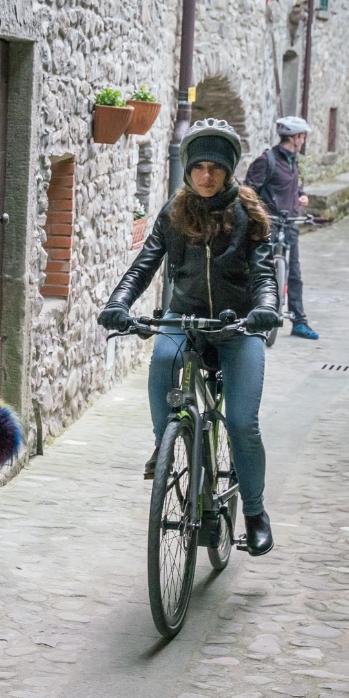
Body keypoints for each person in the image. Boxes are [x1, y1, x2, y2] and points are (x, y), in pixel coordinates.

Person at [99, 119, 280, 556]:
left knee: (240, 422)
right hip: (183, 317)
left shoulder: (248, 213)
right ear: (187, 169)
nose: (205, 175)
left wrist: (266, 310)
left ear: (228, 170)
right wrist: (118, 303)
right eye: (197, 166)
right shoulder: (174, 212)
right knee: (162, 362)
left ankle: (255, 513)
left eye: (215, 167)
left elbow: (264, 274)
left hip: (238, 326)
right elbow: (144, 265)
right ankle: (167, 448)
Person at [245, 115, 318, 339]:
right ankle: (253, 313)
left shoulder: (292, 160)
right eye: (302, 137)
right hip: (270, 223)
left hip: (290, 223)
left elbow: (292, 187)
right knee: (261, 270)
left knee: (294, 273)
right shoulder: (267, 160)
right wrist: (258, 215)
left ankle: (299, 322)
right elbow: (249, 191)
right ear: (295, 137)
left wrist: (301, 196)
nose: (303, 140)